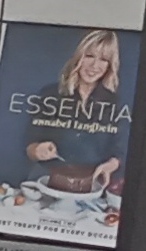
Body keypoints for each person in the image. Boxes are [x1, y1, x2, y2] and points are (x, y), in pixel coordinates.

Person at [22, 26, 126, 192]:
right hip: (45, 182)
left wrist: (111, 165)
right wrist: (36, 150)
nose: (94, 65)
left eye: (103, 59)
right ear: (79, 57)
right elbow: (29, 144)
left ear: (109, 65)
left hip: (91, 186)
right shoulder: (50, 93)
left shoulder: (113, 102)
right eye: (89, 56)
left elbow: (118, 150)